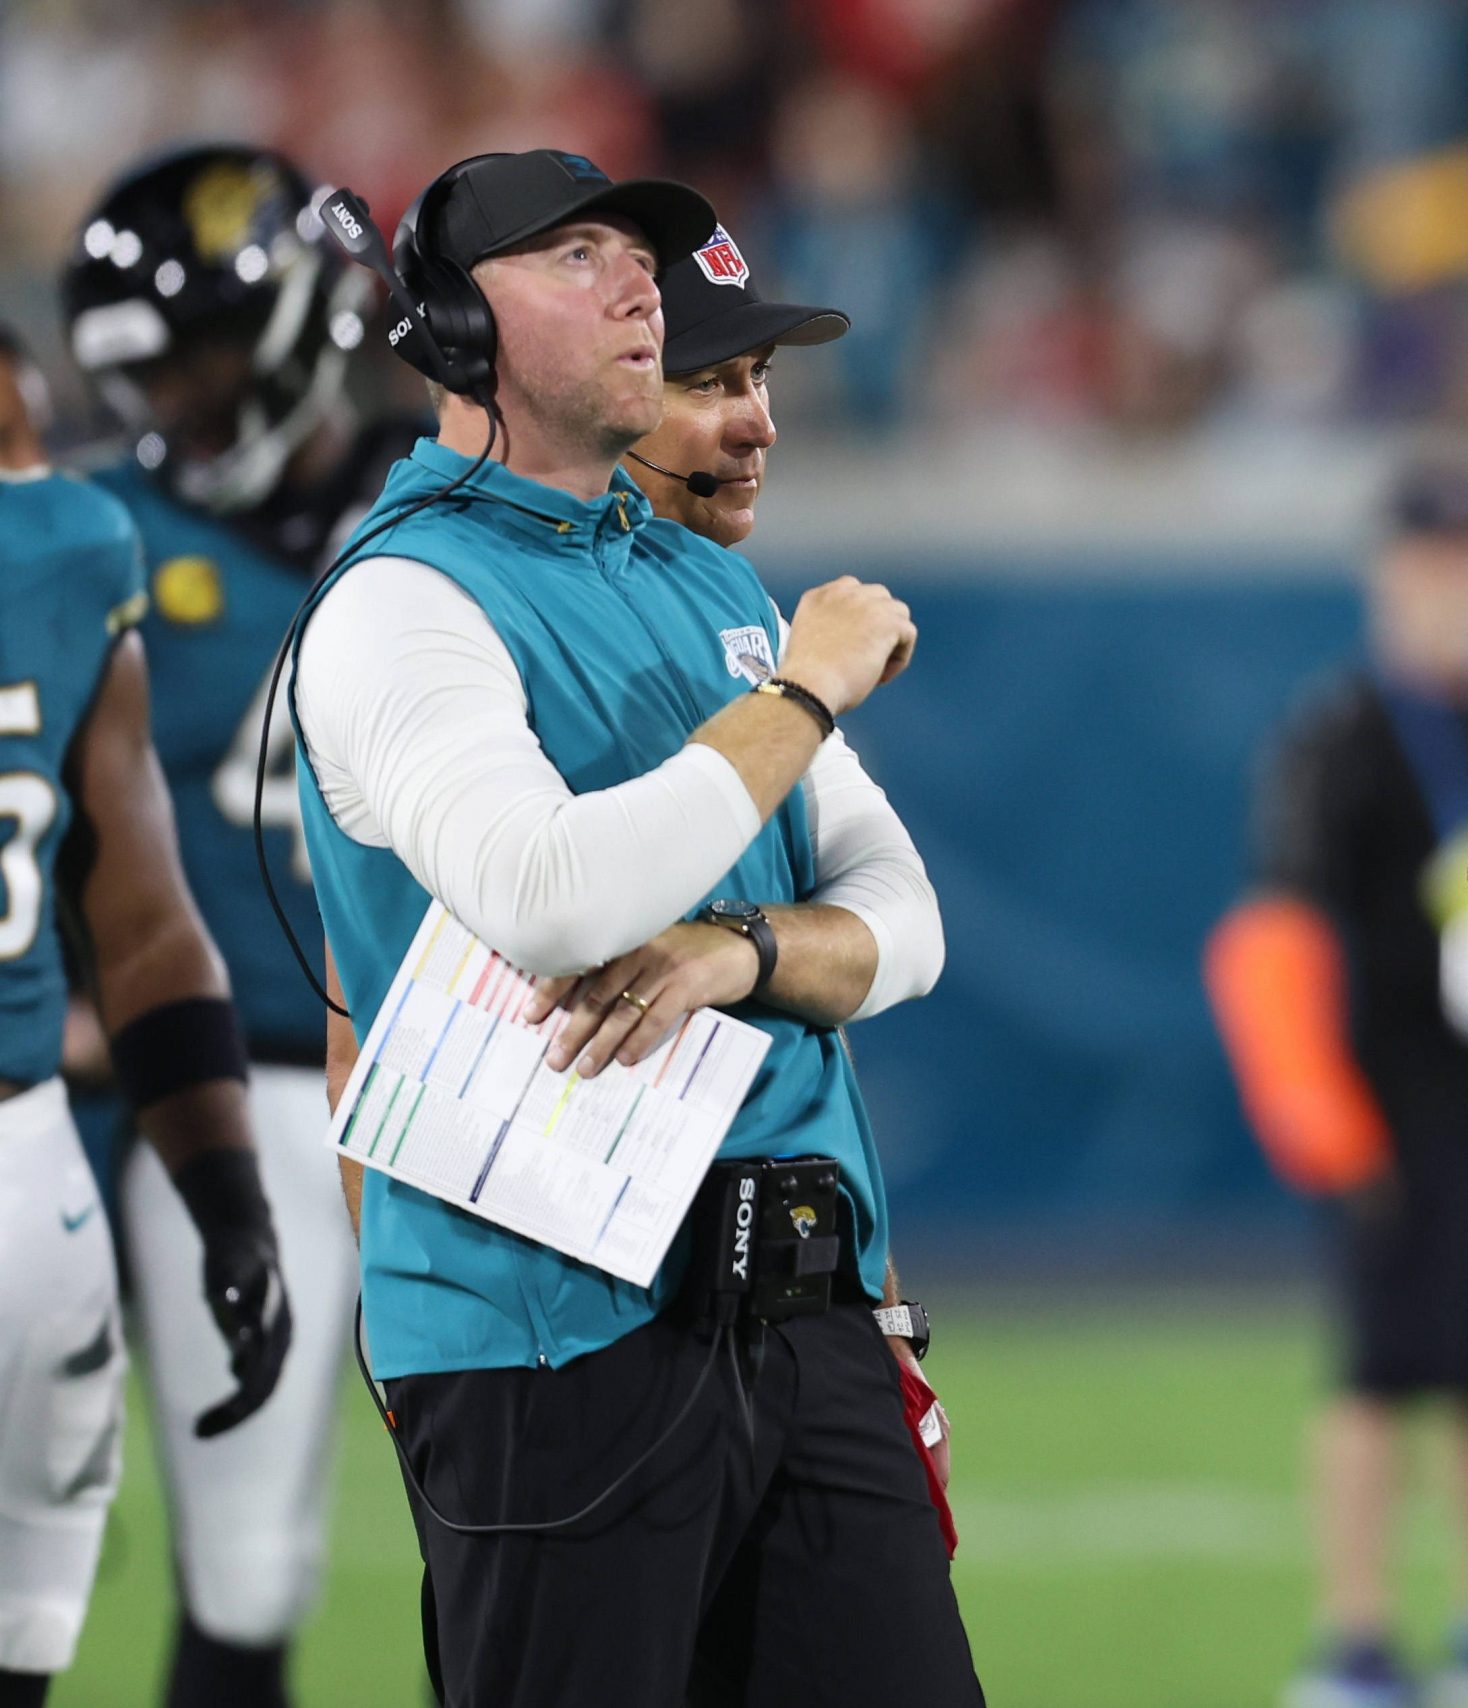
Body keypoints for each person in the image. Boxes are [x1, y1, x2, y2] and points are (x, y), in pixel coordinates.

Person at [289, 149, 976, 1704]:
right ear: (457, 332)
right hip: (551, 1334)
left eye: (641, 254)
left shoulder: (693, 580)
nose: (638, 283)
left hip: (804, 1304)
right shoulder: (401, 603)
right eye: (578, 254)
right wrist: (802, 695)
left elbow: (908, 923)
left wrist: (731, 951)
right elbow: (553, 895)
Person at [56, 142, 410, 1708]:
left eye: (201, 358)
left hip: (350, 1090)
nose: (175, 406)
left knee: (265, 1566)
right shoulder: (79, 536)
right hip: (85, 1094)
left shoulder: (458, 511)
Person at [1205, 466, 1468, 1708]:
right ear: (1386, 577)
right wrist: (1316, 1106)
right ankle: (1358, 1638)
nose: (1445, 592)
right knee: (1381, 1369)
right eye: (1423, 567)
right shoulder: (1342, 734)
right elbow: (1280, 930)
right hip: (1393, 1097)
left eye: (1466, 566)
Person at [0, 325, 292, 1708]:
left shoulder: (68, 549)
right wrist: (227, 1192)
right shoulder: (70, 545)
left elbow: (143, 920)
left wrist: (227, 1197)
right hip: (34, 1190)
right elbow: (148, 922)